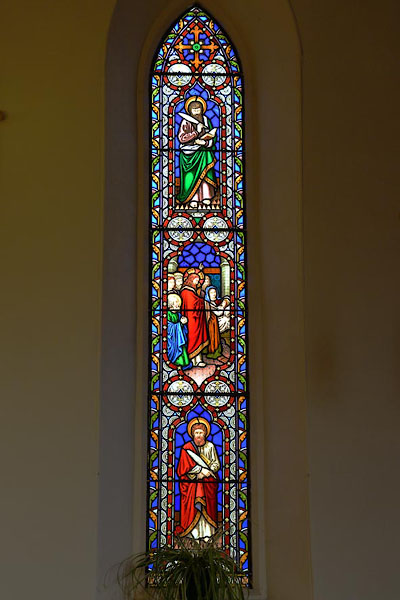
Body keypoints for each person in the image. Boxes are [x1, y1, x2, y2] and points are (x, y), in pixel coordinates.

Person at [176, 417, 220, 539]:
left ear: (205, 433)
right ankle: (192, 533)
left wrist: (209, 471)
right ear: (192, 434)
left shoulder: (210, 446)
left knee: (207, 505)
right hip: (192, 483)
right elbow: (182, 468)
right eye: (196, 433)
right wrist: (198, 473)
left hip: (208, 481)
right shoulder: (187, 448)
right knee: (193, 504)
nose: (199, 435)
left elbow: (216, 463)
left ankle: (208, 532)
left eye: (201, 432)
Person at [176, 96, 218, 208]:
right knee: (191, 177)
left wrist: (204, 142)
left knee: (205, 172)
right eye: (194, 110)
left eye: (198, 109)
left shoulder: (206, 120)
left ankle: (206, 196)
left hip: (203, 150)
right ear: (190, 111)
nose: (196, 112)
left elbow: (213, 137)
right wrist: (196, 133)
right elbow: (182, 138)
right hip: (189, 153)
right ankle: (192, 198)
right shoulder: (186, 121)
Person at [180, 268, 209, 367]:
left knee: (198, 338)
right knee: (193, 338)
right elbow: (193, 304)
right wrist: (202, 301)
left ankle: (198, 360)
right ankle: (193, 360)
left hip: (196, 319)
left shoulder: (191, 291)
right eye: (196, 281)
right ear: (191, 280)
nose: (197, 283)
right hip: (191, 319)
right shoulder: (186, 292)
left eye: (198, 281)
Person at [167, 294, 192, 370]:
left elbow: (182, 325)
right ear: (170, 305)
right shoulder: (167, 314)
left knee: (182, 348)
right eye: (176, 303)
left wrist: (184, 322)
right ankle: (175, 363)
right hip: (172, 339)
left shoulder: (178, 314)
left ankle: (184, 363)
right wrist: (179, 324)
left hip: (179, 337)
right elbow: (169, 327)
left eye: (179, 304)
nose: (178, 305)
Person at [204, 286, 222, 359]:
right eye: (211, 293)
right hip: (210, 322)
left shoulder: (215, 302)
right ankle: (212, 351)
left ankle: (215, 350)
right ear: (208, 294)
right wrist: (221, 309)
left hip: (214, 322)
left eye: (214, 292)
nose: (214, 294)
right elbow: (218, 313)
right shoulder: (208, 304)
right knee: (212, 336)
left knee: (215, 335)